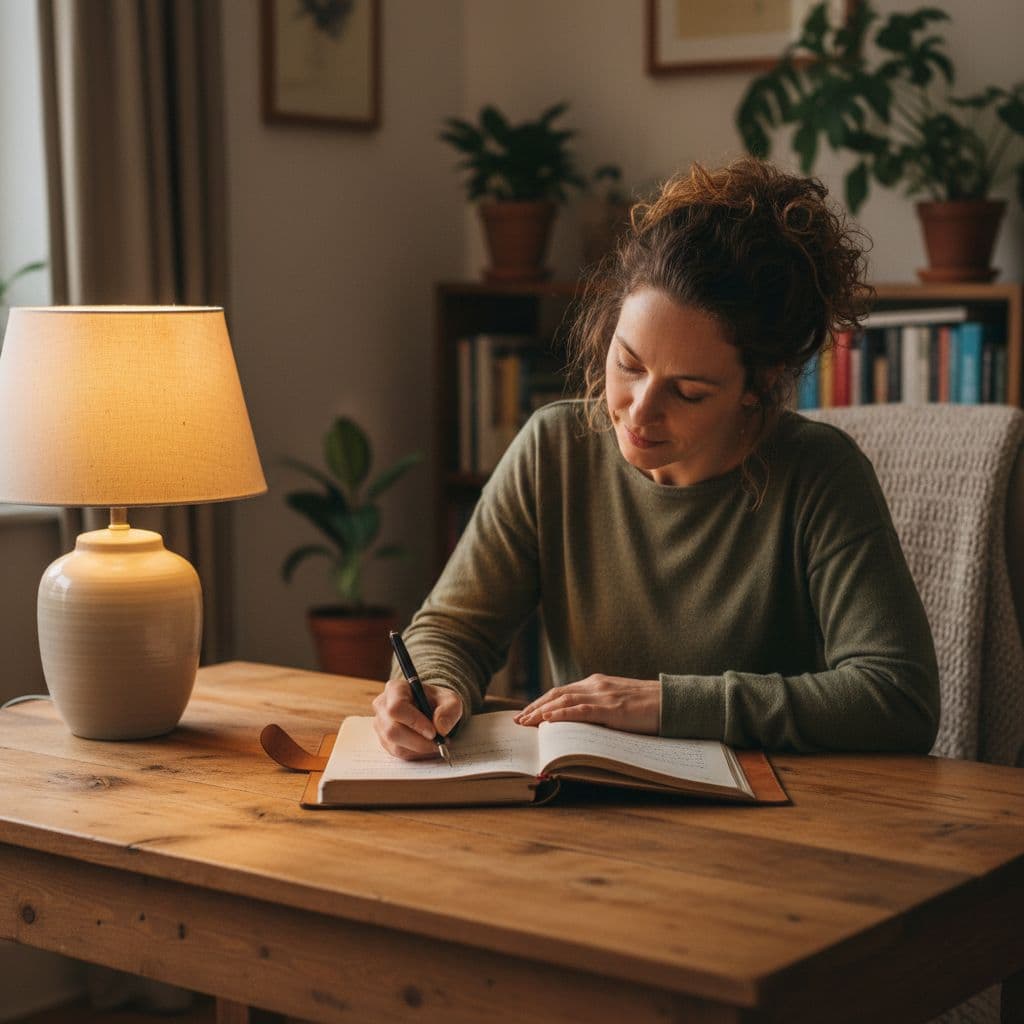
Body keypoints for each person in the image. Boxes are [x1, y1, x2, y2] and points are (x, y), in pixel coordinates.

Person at [373, 157, 940, 760]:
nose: (639, 413)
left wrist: (666, 705)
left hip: (773, 823)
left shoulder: (820, 473)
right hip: (587, 808)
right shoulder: (554, 448)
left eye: (688, 392)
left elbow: (898, 697)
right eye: (629, 365)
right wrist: (432, 685)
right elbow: (453, 628)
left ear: (758, 383)